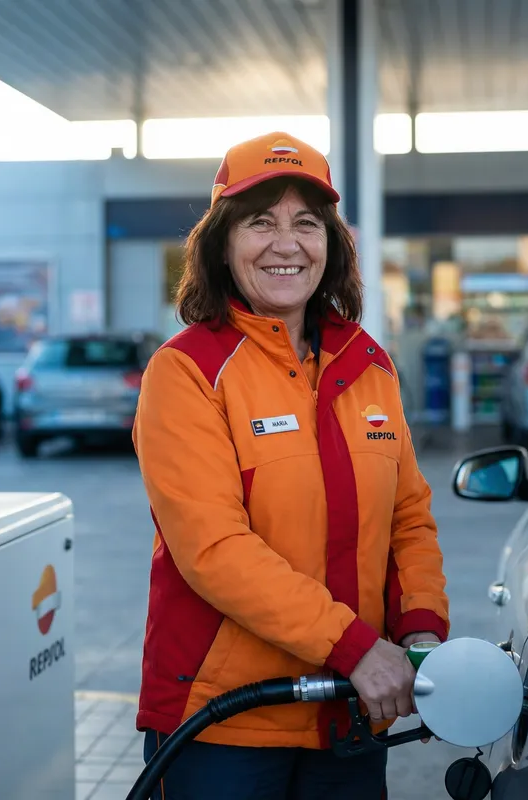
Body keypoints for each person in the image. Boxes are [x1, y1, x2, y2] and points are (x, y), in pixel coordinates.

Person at [132, 131, 450, 799]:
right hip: (225, 725)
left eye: (307, 223)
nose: (287, 243)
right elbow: (214, 549)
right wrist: (358, 647)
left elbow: (408, 516)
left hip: (348, 718)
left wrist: (419, 626)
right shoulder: (187, 370)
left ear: (331, 244)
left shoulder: (369, 365)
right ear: (221, 243)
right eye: (260, 222)